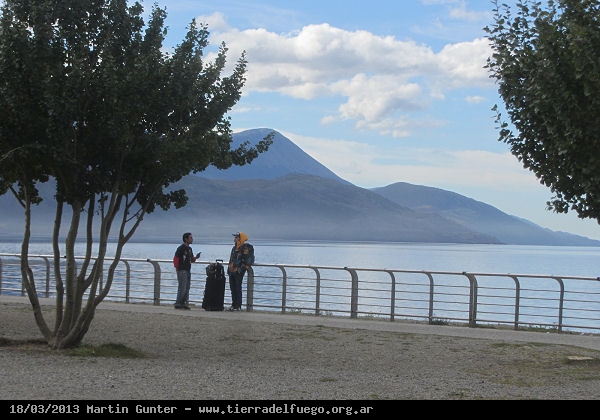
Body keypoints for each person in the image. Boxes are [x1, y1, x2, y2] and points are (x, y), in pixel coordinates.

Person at [227, 231, 254, 311]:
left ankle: (238, 306)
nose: (234, 239)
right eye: (235, 237)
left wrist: (240, 269)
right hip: (232, 271)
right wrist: (229, 269)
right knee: (233, 288)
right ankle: (233, 304)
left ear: (240, 238)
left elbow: (246, 261)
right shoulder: (234, 248)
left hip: (238, 271)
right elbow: (231, 259)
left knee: (237, 288)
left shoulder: (245, 248)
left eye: (236, 237)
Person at [173, 232, 201, 310]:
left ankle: (183, 302)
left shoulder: (189, 249)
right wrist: (177, 268)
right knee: (182, 287)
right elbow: (176, 258)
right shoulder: (181, 248)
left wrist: (196, 257)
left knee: (187, 287)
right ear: (186, 239)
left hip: (187, 269)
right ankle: (178, 303)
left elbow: (191, 260)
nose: (192, 239)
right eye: (190, 238)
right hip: (182, 270)